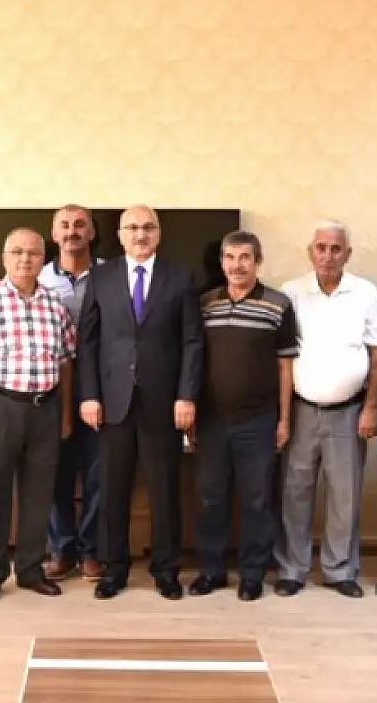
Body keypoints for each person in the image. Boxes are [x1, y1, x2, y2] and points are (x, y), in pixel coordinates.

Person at [77, 205, 203, 601]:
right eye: (132, 227)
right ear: (119, 235)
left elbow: (192, 342)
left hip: (163, 403)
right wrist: (89, 395)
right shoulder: (101, 277)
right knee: (111, 490)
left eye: (148, 227)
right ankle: (114, 569)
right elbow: (87, 342)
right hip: (112, 403)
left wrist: (186, 395)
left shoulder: (180, 277)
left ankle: (166, 570)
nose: (140, 234)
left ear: (159, 233)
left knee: (165, 491)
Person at [0, 227, 76, 603]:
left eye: (33, 253)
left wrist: (66, 414)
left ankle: (29, 570)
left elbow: (66, 362)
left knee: (39, 494)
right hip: (1, 407)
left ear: (44, 259)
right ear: (4, 258)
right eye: (17, 252)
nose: (26, 259)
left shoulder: (55, 303)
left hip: (46, 408)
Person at [274, 220, 377, 599]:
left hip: (349, 411)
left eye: (336, 249)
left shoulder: (365, 293)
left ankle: (340, 571)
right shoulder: (290, 292)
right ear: (310, 252)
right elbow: (282, 358)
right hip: (301, 409)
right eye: (321, 248)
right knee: (295, 492)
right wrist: (283, 416)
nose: (328, 255)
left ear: (347, 254)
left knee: (344, 495)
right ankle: (292, 569)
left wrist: (371, 407)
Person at [193, 230, 297, 602]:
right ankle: (211, 571)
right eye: (230, 257)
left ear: (258, 261)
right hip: (211, 420)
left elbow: (285, 366)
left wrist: (284, 419)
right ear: (221, 262)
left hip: (259, 420)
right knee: (210, 498)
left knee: (256, 500)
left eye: (245, 258)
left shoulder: (278, 305)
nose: (237, 265)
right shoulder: (205, 304)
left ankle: (252, 574)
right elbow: (193, 359)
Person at [38, 204, 104, 581]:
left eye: (80, 225)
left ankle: (91, 550)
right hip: (50, 387)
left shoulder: (112, 275)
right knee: (54, 474)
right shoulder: (38, 278)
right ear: (54, 233)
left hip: (102, 389)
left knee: (99, 475)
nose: (72, 231)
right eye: (64, 225)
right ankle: (62, 549)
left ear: (92, 232)